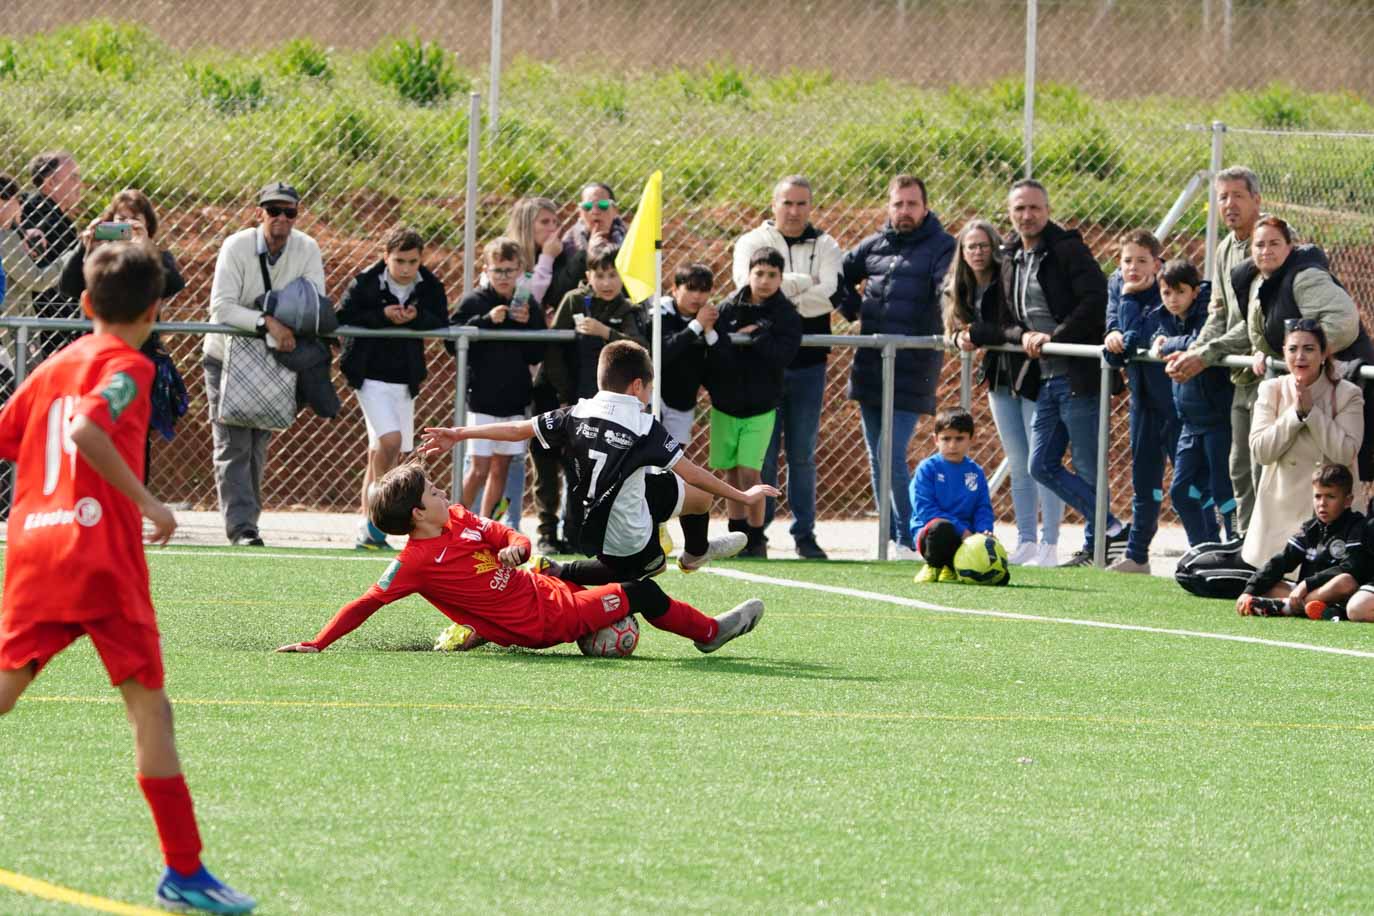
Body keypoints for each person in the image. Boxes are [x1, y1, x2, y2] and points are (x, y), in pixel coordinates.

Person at [0, 242, 255, 914]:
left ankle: (187, 872)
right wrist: (150, 504)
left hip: (33, 552)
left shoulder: (54, 365)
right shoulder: (129, 365)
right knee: (150, 707)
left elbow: (12, 434)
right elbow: (87, 430)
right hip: (99, 558)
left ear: (84, 304)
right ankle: (185, 872)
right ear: (156, 310)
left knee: (5, 689)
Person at [273, 465, 764, 656]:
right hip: (542, 622)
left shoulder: (458, 518)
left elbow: (511, 536)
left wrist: (517, 548)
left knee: (616, 568)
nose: (446, 493)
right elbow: (367, 603)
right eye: (435, 492)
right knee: (643, 592)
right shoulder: (416, 562)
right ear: (417, 513)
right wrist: (318, 642)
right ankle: (707, 634)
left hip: (541, 586)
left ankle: (635, 580)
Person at [422, 340, 770, 582]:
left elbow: (517, 429)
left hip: (602, 504)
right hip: (619, 528)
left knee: (699, 500)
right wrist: (743, 496)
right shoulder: (643, 424)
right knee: (649, 571)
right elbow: (692, 471)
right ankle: (559, 572)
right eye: (649, 389)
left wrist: (459, 433)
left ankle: (696, 553)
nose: (649, 397)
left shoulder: (577, 411)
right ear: (637, 386)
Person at [1003, 179, 1127, 567]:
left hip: (1077, 373)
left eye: (1035, 208)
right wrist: (1022, 335)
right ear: (1010, 212)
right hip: (1046, 378)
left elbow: (1095, 300)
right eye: (1020, 208)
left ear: (1048, 209)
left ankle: (1099, 547)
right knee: (1040, 464)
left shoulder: (1067, 249)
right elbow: (1006, 314)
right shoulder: (1009, 255)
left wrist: (1055, 337)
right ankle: (1110, 527)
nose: (1027, 215)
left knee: (1088, 465)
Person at [838, 175, 956, 557]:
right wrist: (856, 312)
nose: (904, 211)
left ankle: (911, 537)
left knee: (891, 451)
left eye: (912, 204)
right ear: (889, 207)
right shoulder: (873, 245)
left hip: (913, 367)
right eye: (898, 204)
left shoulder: (942, 247)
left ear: (925, 207)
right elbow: (837, 276)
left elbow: (948, 290)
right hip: (871, 365)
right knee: (877, 455)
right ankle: (891, 537)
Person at [205, 181, 326, 546]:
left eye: (289, 212)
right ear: (259, 213)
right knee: (233, 442)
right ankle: (242, 528)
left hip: (275, 357)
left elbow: (313, 301)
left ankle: (248, 522)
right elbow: (222, 307)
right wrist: (267, 321)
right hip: (227, 355)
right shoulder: (236, 246)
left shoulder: (307, 248)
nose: (281, 219)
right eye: (273, 211)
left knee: (258, 442)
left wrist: (283, 323)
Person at [733, 176, 841, 561]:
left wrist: (779, 290)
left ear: (811, 206)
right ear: (773, 204)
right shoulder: (749, 242)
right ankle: (756, 534)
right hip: (761, 368)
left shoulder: (827, 244)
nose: (794, 211)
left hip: (809, 366)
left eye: (801, 204)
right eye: (787, 203)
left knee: (802, 454)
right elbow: (745, 288)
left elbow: (828, 296)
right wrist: (803, 283)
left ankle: (805, 535)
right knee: (761, 455)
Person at [948, 218, 1062, 567]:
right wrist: (959, 337)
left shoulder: (1008, 278)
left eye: (983, 245)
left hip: (1030, 375)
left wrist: (979, 332)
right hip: (998, 379)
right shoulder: (962, 287)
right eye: (971, 246)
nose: (978, 252)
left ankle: (1050, 543)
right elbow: (954, 327)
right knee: (1018, 462)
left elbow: (1009, 327)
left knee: (1040, 462)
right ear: (962, 252)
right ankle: (1027, 539)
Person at [1164, 166, 1263, 536]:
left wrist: (1203, 356)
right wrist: (1194, 350)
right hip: (1239, 375)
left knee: (1261, 471)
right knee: (1238, 471)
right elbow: (1218, 312)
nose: (1229, 204)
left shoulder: (1268, 241)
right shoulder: (1223, 248)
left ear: (1256, 199)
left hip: (1271, 371)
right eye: (1222, 197)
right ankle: (1237, 550)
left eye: (1237, 195)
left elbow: (1258, 321)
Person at [1238, 215, 1374, 483]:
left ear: (1290, 247)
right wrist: (1262, 350)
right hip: (1306, 381)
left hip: (1342, 378)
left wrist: (1306, 358)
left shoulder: (1305, 277)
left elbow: (1343, 323)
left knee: (1342, 471)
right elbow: (1266, 331)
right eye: (1260, 245)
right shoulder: (1260, 282)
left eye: (1275, 243)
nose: (1266, 251)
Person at [337, 225, 449, 549]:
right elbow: (342, 317)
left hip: (404, 378)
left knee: (383, 453)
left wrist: (414, 317)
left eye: (412, 262)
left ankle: (367, 526)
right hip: (369, 375)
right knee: (390, 440)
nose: (405, 268)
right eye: (399, 260)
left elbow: (441, 320)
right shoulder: (366, 282)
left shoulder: (428, 284)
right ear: (385, 257)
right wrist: (382, 315)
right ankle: (375, 522)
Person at [705, 247, 803, 559]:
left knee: (750, 473)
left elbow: (783, 355)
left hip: (760, 407)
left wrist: (758, 336)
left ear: (780, 277)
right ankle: (737, 535)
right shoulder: (728, 308)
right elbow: (718, 351)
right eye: (759, 273)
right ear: (748, 274)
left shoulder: (785, 314)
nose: (764, 280)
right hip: (726, 405)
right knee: (731, 474)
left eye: (772, 274)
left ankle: (756, 538)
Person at [1243, 319, 1363, 570]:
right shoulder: (1271, 389)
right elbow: (1261, 452)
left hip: (1331, 512)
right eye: (1293, 349)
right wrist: (1295, 415)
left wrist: (1313, 413)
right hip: (1280, 510)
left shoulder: (1347, 393)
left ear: (1323, 354)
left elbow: (1345, 453)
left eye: (1309, 349)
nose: (1300, 356)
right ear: (1283, 353)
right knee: (1272, 581)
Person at [451, 237, 547, 521]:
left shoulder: (527, 303)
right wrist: (484, 321)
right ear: (486, 270)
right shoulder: (474, 301)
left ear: (520, 270)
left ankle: (484, 528)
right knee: (478, 468)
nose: (504, 277)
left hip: (514, 399)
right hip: (482, 398)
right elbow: (451, 340)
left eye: (509, 270)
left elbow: (537, 352)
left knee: (500, 467)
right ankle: (452, 525)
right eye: (498, 271)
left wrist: (527, 323)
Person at [1101, 229, 1176, 574]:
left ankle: (1209, 549)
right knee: (1143, 478)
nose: (1133, 268)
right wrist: (1111, 334)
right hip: (1142, 399)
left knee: (1190, 482)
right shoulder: (1117, 285)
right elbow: (1117, 341)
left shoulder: (1168, 290)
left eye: (1142, 261)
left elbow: (1143, 336)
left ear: (1158, 264)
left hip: (1177, 400)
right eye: (1127, 261)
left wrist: (1128, 314)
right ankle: (1137, 554)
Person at [1151, 260, 1235, 545]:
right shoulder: (1165, 317)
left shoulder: (1206, 313)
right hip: (1189, 422)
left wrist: (1168, 344)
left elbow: (1200, 341)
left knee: (1224, 490)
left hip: (1217, 421)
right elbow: (1156, 337)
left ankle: (1235, 546)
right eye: (1166, 293)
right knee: (1181, 490)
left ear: (1195, 292)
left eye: (1179, 292)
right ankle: (1202, 548)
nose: (1172, 299)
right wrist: (1162, 341)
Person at [1238, 463, 1364, 619]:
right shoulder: (1309, 528)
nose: (1322, 503)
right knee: (1269, 585)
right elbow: (1282, 561)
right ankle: (1317, 608)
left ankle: (1288, 607)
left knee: (1345, 581)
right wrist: (1249, 591)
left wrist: (1306, 584)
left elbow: (1350, 568)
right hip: (1308, 592)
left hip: (1340, 593)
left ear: (1348, 500)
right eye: (1318, 496)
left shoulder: (1357, 525)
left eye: (1330, 496)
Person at [909, 408, 995, 583]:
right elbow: (925, 510)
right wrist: (961, 530)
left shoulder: (976, 472)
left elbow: (982, 507)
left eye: (959, 438)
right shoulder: (927, 469)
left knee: (1001, 577)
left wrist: (984, 531)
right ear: (935, 440)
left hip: (966, 537)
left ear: (972, 439)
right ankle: (934, 566)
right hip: (933, 535)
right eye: (946, 439)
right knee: (942, 528)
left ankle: (954, 567)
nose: (952, 445)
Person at [20, 151, 83, 360]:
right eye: (73, 177)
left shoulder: (45, 212)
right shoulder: (45, 218)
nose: (80, 184)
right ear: (50, 183)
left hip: (46, 327)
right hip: (45, 331)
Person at [655, 261, 716, 447]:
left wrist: (709, 332)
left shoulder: (710, 317)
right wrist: (696, 326)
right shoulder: (660, 312)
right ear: (674, 289)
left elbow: (719, 362)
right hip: (653, 398)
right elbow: (664, 352)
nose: (697, 296)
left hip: (682, 402)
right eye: (690, 288)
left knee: (673, 462)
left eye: (703, 290)